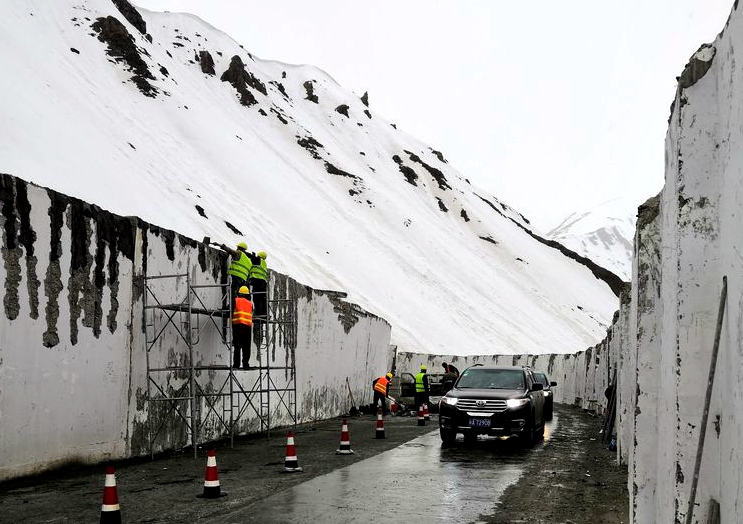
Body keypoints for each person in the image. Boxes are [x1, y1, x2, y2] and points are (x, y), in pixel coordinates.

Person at [232, 285, 253, 369]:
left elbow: (229, 309)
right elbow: (252, 311)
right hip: (247, 327)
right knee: (246, 347)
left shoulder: (236, 301)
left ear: (239, 293)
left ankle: (236, 365)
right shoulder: (250, 304)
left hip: (237, 326)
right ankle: (246, 364)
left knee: (237, 346)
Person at [248, 250, 268, 321]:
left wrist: (243, 252)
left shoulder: (258, 260)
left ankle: (259, 314)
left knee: (257, 298)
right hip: (263, 283)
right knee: (263, 299)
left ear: (259, 256)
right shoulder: (264, 263)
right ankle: (264, 314)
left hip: (257, 282)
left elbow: (251, 257)